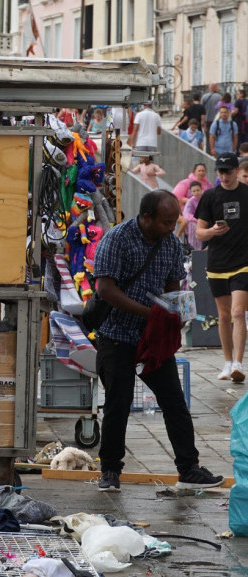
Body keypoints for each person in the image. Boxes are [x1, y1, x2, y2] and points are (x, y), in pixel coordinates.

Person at [94, 190, 224, 492]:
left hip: (152, 338)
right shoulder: (117, 239)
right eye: (166, 222)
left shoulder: (169, 244)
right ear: (146, 217)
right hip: (116, 335)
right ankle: (110, 470)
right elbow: (106, 289)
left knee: (174, 402)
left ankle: (188, 468)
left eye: (173, 221)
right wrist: (149, 313)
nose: (170, 227)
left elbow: (172, 286)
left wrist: (176, 313)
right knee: (118, 403)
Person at [196, 154, 248, 382]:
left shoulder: (246, 194)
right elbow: (199, 231)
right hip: (217, 263)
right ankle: (227, 363)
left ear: (237, 170)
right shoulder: (209, 196)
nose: (224, 176)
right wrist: (212, 232)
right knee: (224, 315)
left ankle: (238, 362)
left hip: (243, 263)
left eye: (228, 171)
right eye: (220, 172)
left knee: (238, 312)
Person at [176, 181, 204, 250]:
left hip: (204, 220)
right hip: (194, 222)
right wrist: (196, 220)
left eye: (198, 190)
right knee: (193, 225)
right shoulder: (190, 201)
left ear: (201, 189)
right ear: (191, 192)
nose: (196, 192)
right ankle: (195, 249)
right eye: (194, 191)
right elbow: (187, 214)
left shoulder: (205, 198)